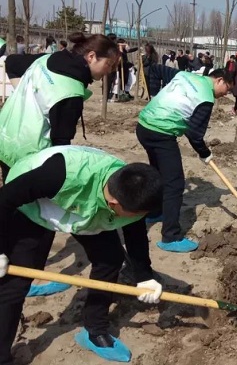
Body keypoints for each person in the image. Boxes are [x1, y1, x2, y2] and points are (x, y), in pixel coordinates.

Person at [0, 145, 164, 363]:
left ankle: (94, 330)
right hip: (34, 206)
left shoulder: (133, 192)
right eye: (137, 213)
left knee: (110, 259)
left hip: (86, 210)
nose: (139, 217)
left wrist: (144, 276)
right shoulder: (58, 176)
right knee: (15, 283)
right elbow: (5, 200)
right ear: (114, 203)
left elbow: (136, 234)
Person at [0, 32, 120, 297]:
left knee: (14, 210)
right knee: (37, 224)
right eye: (108, 65)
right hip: (30, 157)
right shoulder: (70, 91)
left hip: (7, 141)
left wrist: (25, 94)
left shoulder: (51, 60)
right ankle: (22, 278)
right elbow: (61, 147)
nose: (109, 71)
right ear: (91, 56)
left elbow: (14, 62)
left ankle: (13, 264)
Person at [136, 68, 234, 253]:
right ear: (219, 80)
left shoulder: (184, 74)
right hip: (161, 133)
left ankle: (155, 212)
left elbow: (155, 71)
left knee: (157, 173)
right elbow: (194, 134)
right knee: (174, 184)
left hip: (143, 126)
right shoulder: (206, 98)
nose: (226, 94)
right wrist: (205, 153)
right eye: (227, 89)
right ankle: (170, 237)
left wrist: (157, 95)